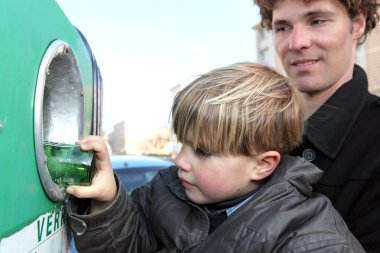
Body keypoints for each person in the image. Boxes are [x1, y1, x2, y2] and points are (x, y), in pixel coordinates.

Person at [66, 62, 364, 252]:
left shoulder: (310, 238)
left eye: (203, 152)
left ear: (262, 164)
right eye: (184, 144)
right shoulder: (164, 191)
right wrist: (106, 201)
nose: (180, 161)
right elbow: (128, 244)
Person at [254, 0, 380, 251]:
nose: (296, 42)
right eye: (283, 28)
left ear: (357, 23)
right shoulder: (256, 133)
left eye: (317, 21)